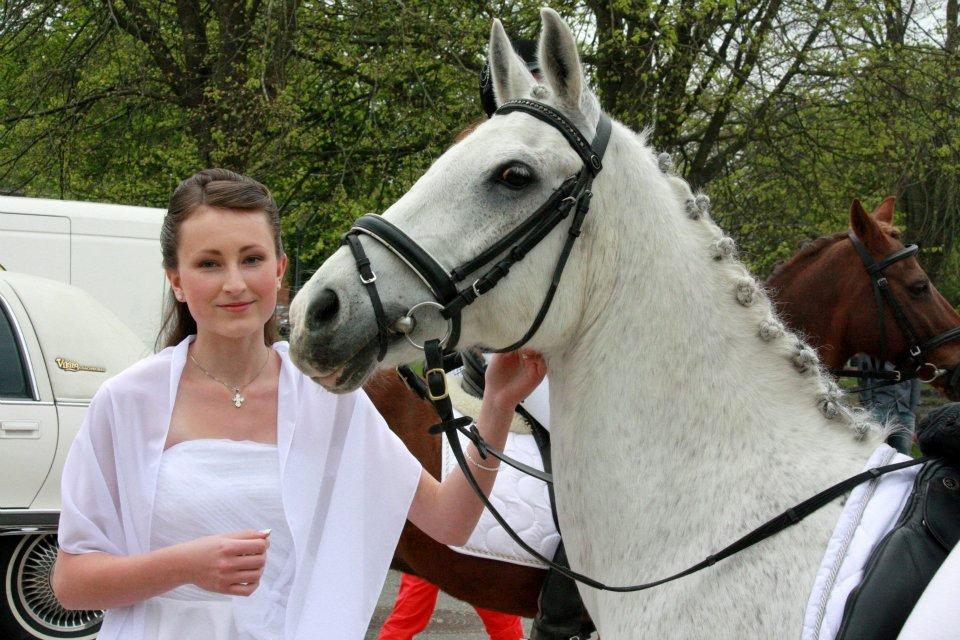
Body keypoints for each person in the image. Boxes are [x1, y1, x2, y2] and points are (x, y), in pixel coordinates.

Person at [50, 168, 547, 640]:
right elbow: (71, 583)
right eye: (208, 263)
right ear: (176, 280)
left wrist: (498, 405)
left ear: (281, 271)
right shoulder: (126, 402)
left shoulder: (327, 398)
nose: (235, 283)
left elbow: (450, 521)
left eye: (251, 259)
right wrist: (187, 567)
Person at [850, 353, 921, 454]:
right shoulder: (870, 350)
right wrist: (869, 407)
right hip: (878, 409)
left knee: (902, 456)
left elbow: (916, 380)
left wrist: (912, 410)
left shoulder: (910, 351)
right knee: (871, 452)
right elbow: (864, 378)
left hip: (904, 411)